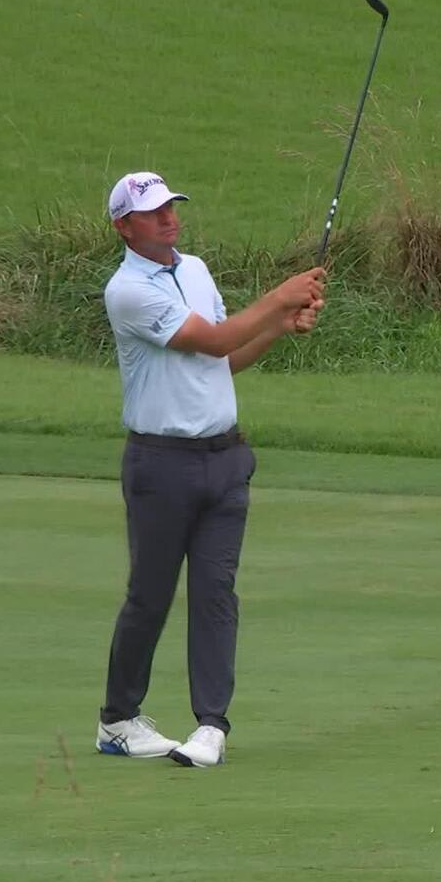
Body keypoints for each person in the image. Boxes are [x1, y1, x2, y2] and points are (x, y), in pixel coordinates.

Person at [93, 171, 325, 768]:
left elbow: (228, 357)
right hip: (160, 464)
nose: (169, 218)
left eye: (171, 207)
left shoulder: (193, 270)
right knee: (149, 597)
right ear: (125, 226)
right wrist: (278, 298)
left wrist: (278, 326)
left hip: (225, 458)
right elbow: (215, 341)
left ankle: (211, 727)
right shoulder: (127, 291)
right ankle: (118, 720)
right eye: (152, 212)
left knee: (216, 592)